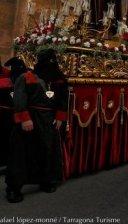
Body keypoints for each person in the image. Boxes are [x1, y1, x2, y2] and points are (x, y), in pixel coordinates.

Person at [5, 49, 68, 203]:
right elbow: (19, 97)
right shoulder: (26, 77)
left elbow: (62, 99)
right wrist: (25, 118)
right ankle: (14, 188)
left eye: (53, 61)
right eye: (48, 61)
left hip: (49, 122)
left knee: (47, 151)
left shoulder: (59, 80)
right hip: (31, 120)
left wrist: (60, 117)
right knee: (22, 153)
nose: (51, 65)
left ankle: (46, 180)